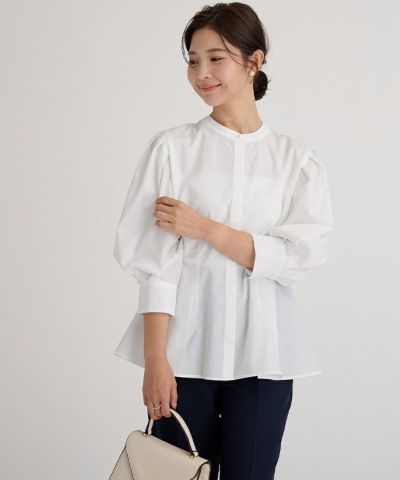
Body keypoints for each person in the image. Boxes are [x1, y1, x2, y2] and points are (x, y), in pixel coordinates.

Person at [112, 3, 334, 479]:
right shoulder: (172, 149)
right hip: (183, 360)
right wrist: (155, 360)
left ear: (255, 61)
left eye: (216, 58)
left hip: (264, 360)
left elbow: (300, 256)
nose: (202, 74)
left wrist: (206, 229)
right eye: (193, 60)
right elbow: (153, 263)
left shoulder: (295, 161)